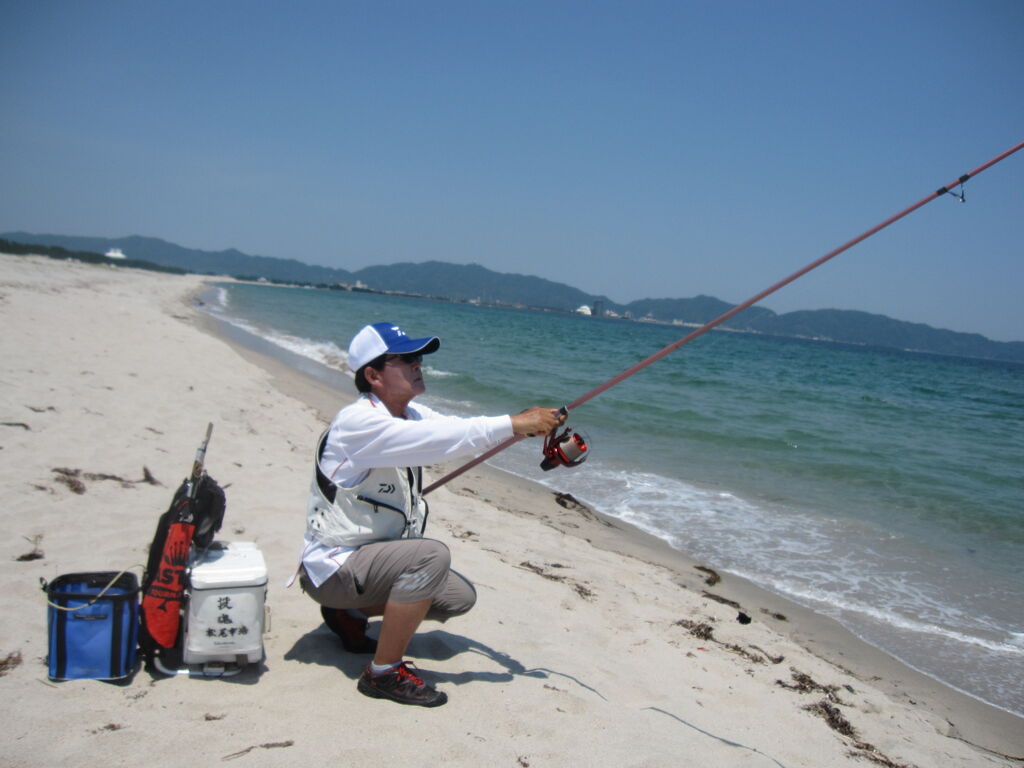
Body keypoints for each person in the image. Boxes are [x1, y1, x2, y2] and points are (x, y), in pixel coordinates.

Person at [297, 321, 565, 707]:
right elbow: (439, 444)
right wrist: (513, 423)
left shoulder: (411, 414)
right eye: (405, 359)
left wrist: (519, 427)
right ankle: (383, 673)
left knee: (457, 597)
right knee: (430, 556)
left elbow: (454, 429)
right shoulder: (358, 424)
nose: (418, 364)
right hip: (333, 567)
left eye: (418, 358)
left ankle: (348, 614)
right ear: (373, 375)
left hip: (367, 563)